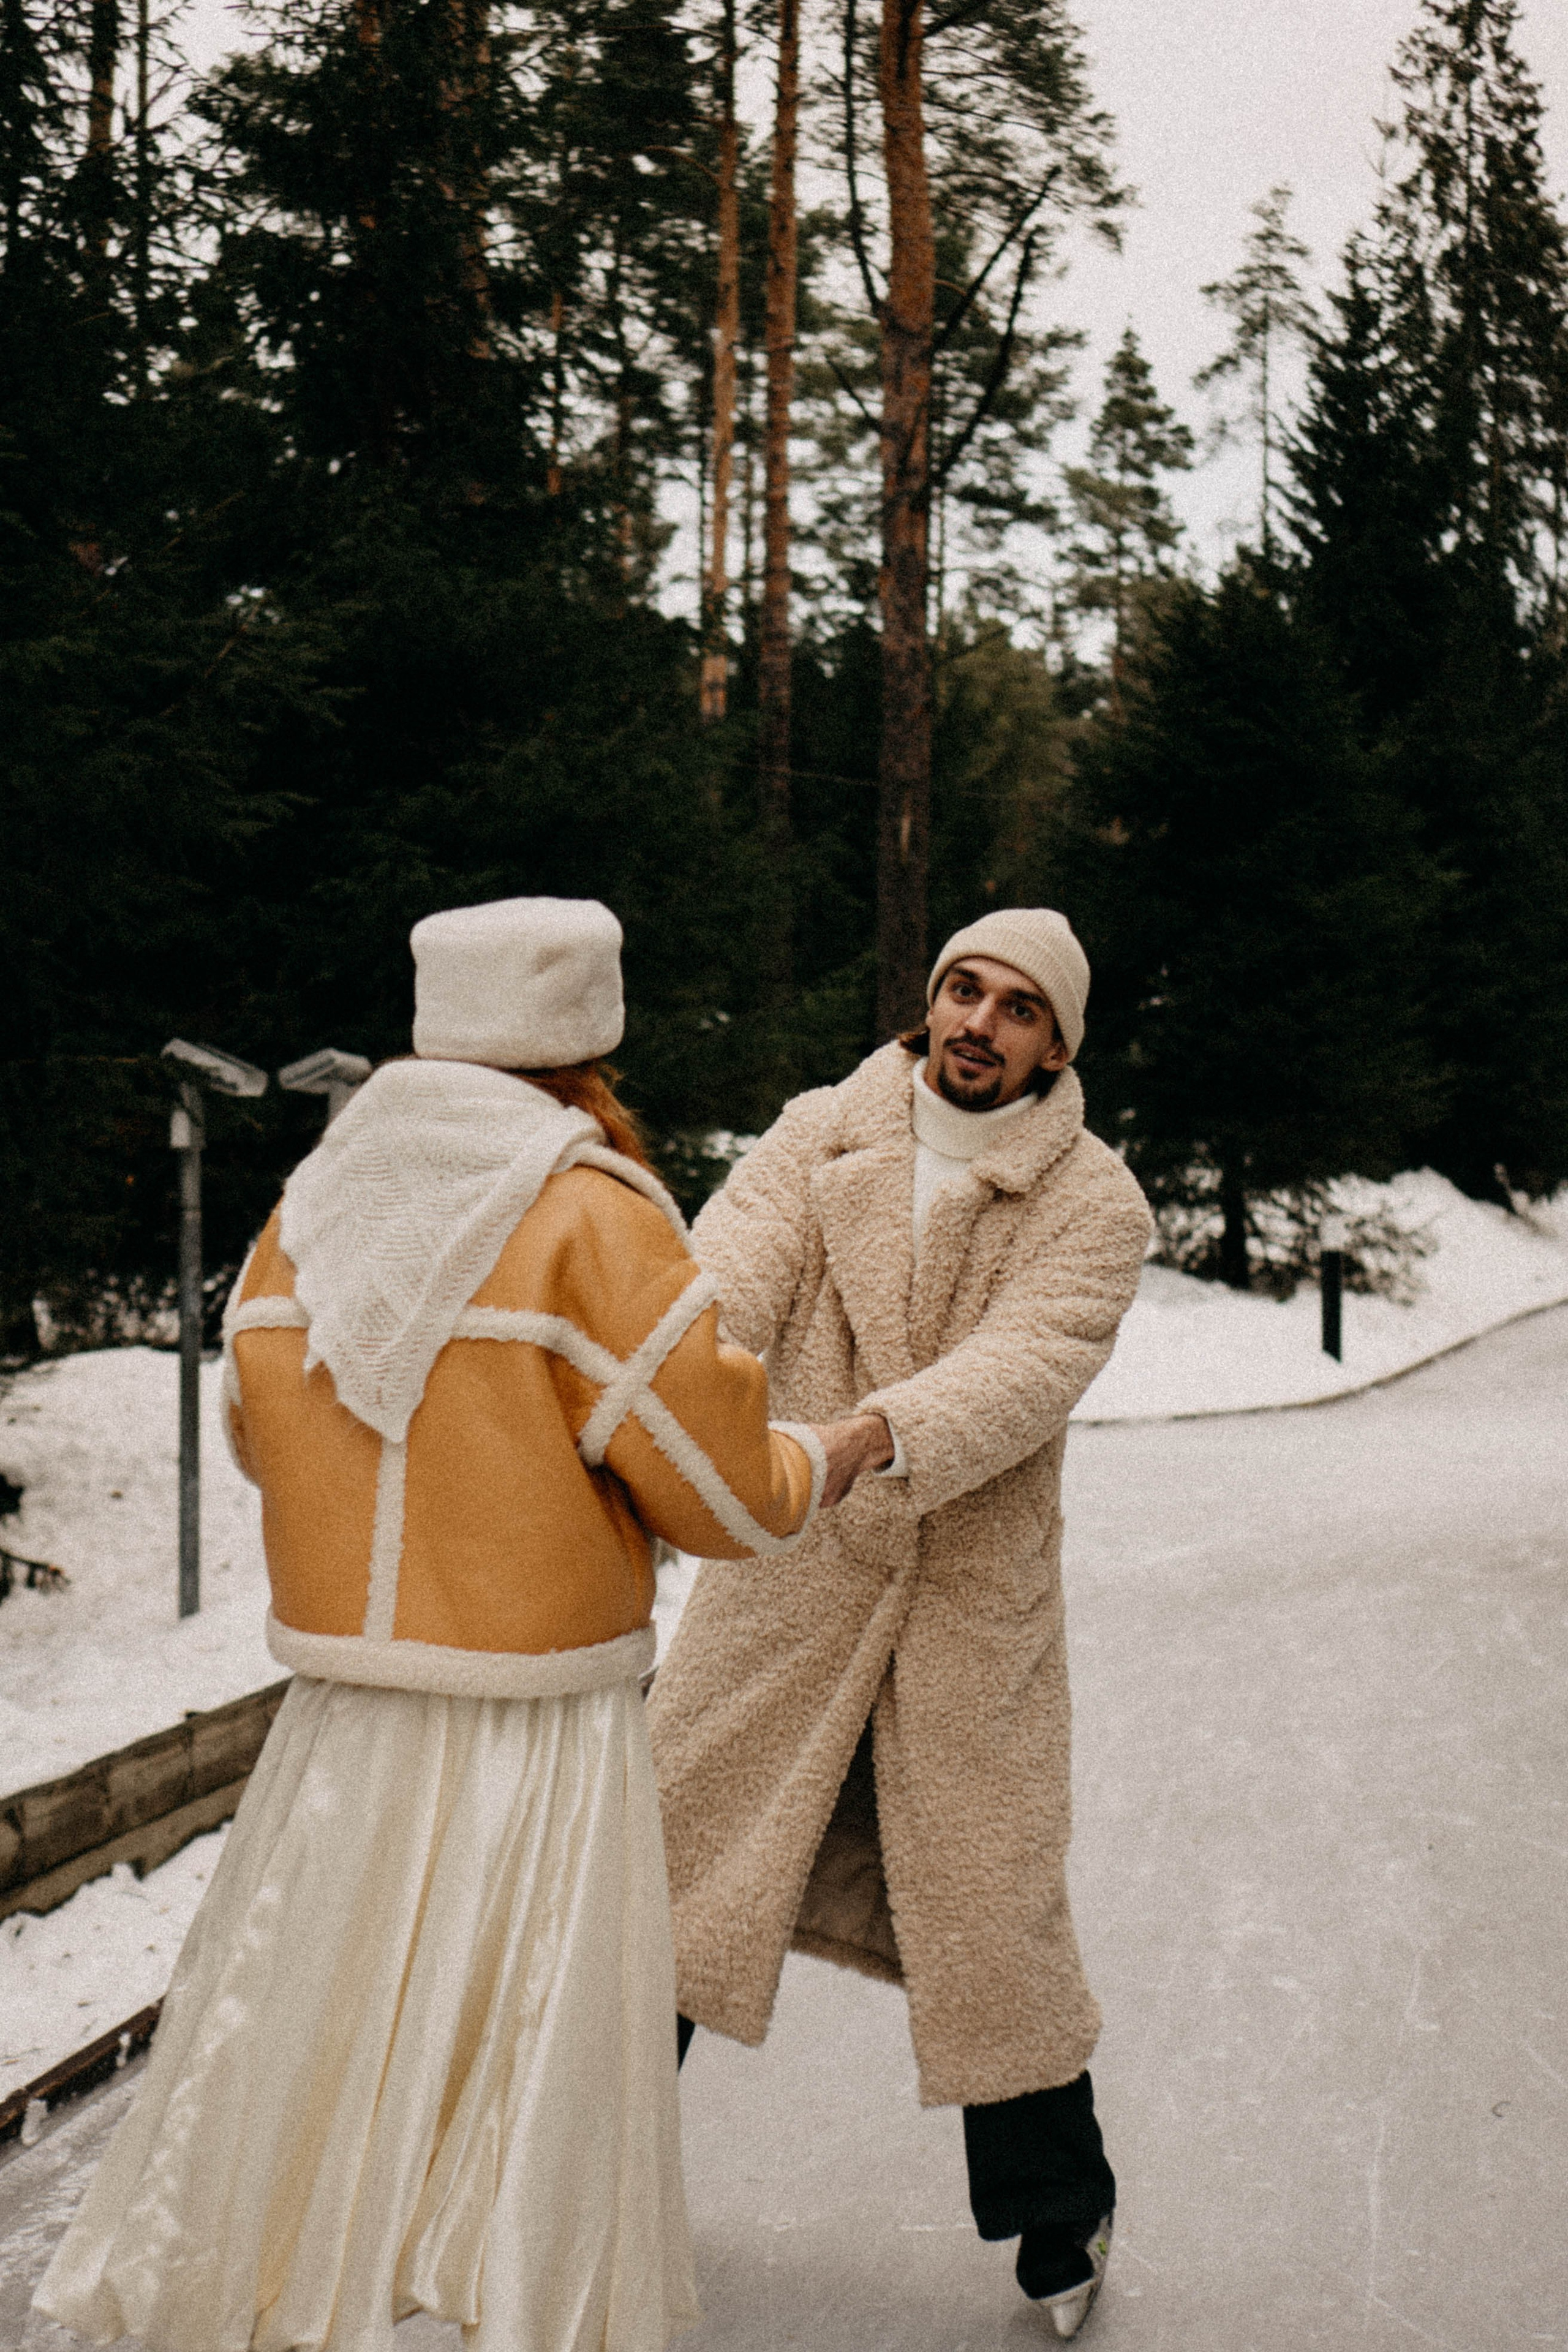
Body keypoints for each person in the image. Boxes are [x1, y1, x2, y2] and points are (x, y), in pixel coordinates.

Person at [35, 894, 862, 2352]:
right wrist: (833, 1448)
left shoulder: (311, 1205)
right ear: (587, 1037)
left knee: (312, 2026)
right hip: (535, 1719)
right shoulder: (592, 1216)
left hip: (346, 1717)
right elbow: (732, 1503)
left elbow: (253, 1429)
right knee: (527, 2054)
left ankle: (288, 2294)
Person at [646, 907, 1153, 2342]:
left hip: (958, 1616)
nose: (974, 1024)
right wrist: (678, 1366)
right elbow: (724, 1279)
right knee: (665, 1884)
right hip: (785, 1593)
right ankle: (571, 2169)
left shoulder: (1092, 1202)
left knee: (990, 1923)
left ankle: (1061, 2216)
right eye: (958, 991)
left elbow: (1027, 1367)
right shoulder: (824, 1130)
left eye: (1013, 1009)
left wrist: (868, 1434)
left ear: (1058, 1043)